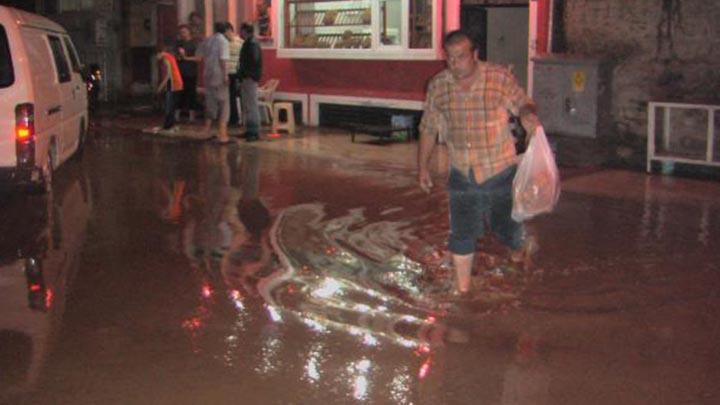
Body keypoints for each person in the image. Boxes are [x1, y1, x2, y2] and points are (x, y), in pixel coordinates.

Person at [417, 30, 540, 295]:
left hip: (500, 171)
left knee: (505, 231)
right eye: (449, 58)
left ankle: (520, 249)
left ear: (475, 55)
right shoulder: (438, 86)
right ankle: (462, 291)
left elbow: (523, 103)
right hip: (462, 172)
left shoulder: (498, 78)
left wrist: (528, 116)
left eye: (461, 57)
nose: (454, 63)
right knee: (461, 234)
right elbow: (428, 128)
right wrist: (423, 167)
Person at [198, 22, 232, 143]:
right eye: (230, 31)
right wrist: (225, 75)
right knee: (224, 104)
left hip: (208, 74)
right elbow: (223, 59)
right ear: (227, 30)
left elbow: (200, 56)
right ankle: (222, 133)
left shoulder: (208, 40)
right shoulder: (223, 41)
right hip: (218, 75)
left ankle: (206, 130)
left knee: (211, 102)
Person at [238, 22, 263, 142]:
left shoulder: (252, 44)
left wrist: (247, 73)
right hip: (248, 76)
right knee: (247, 104)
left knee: (251, 104)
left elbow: (254, 59)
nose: (239, 33)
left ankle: (253, 131)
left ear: (245, 31)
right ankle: (250, 129)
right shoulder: (250, 43)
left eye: (241, 31)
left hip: (250, 77)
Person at [154, 43, 184, 134]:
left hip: (173, 84)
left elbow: (168, 75)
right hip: (176, 83)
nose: (156, 58)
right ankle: (170, 125)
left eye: (156, 56)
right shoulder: (170, 56)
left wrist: (160, 87)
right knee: (171, 106)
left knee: (169, 106)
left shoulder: (165, 59)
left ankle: (168, 126)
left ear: (159, 53)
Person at [175, 24, 201, 123]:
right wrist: (179, 57)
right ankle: (177, 116)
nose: (182, 34)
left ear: (189, 32)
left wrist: (186, 58)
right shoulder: (179, 43)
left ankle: (191, 116)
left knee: (191, 94)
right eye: (181, 33)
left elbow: (198, 58)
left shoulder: (194, 44)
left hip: (191, 72)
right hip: (180, 71)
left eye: (184, 32)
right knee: (179, 93)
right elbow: (176, 56)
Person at [225, 23, 244, 128]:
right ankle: (233, 118)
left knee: (234, 96)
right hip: (229, 73)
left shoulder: (239, 42)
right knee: (230, 96)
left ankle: (237, 118)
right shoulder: (224, 43)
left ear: (230, 30)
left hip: (235, 73)